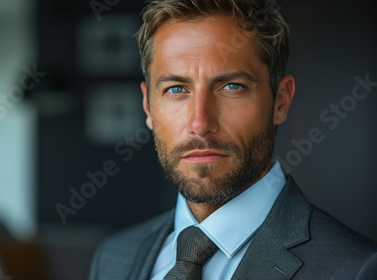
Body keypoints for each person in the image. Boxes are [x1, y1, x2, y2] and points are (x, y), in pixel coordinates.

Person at [89, 0, 377, 279]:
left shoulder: (355, 269)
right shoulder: (114, 256)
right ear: (148, 107)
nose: (200, 124)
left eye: (231, 86)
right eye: (176, 89)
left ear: (281, 101)